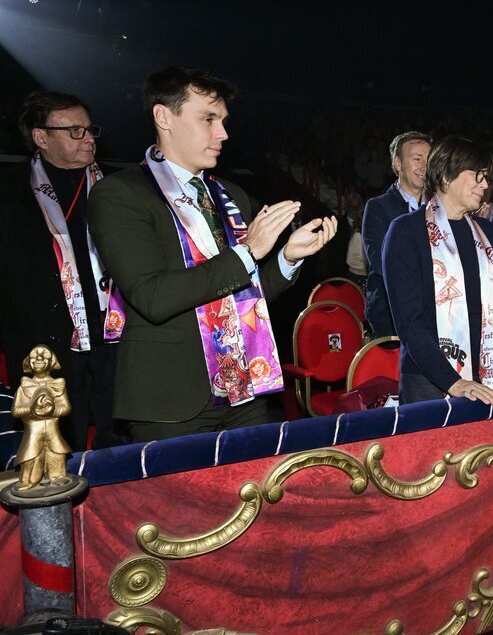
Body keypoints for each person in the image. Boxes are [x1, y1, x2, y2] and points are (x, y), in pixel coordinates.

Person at [89, 66, 337, 441]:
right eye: (208, 119)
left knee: (256, 495)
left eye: (222, 120)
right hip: (171, 400)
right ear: (163, 116)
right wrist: (248, 252)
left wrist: (287, 257)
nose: (223, 133)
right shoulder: (121, 195)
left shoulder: (231, 197)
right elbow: (152, 297)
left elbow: (247, 299)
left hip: (244, 392)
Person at [382, 136, 493, 405]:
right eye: (478, 176)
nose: (485, 185)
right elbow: (410, 324)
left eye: (486, 178)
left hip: (483, 375)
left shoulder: (486, 233)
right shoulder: (406, 232)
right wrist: (454, 382)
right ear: (447, 176)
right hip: (429, 381)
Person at [0, 91, 123, 450]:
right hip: (44, 343)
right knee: (52, 450)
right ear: (41, 137)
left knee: (121, 441)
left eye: (89, 130)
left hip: (117, 338)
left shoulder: (119, 186)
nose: (88, 139)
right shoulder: (8, 191)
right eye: (75, 131)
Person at [362, 131, 432, 337]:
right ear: (398, 164)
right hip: (391, 315)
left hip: (433, 314)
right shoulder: (378, 208)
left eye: (429, 160)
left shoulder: (438, 208)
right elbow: (379, 262)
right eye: (417, 159)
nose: (424, 167)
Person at [12, 346, 72, 491]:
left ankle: (57, 476)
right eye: (34, 356)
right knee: (31, 457)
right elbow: (15, 411)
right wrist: (32, 410)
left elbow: (66, 408)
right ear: (28, 362)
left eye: (44, 356)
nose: (39, 358)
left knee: (57, 453)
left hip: (53, 430)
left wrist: (52, 411)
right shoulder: (23, 387)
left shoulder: (58, 385)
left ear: (52, 361)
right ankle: (29, 479)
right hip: (33, 432)